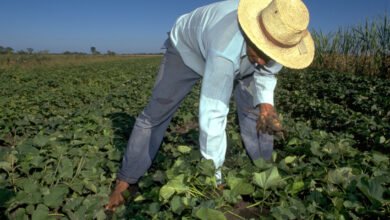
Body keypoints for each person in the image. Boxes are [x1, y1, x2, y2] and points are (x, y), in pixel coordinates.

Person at [106, 0, 314, 211]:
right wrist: (214, 179)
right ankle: (126, 179)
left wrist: (266, 105)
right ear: (253, 33)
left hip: (235, 53)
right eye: (261, 52)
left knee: (258, 115)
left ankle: (265, 170)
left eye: (269, 56)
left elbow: (267, 72)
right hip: (187, 50)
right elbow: (213, 114)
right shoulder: (225, 45)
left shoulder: (280, 37)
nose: (262, 61)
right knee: (156, 113)